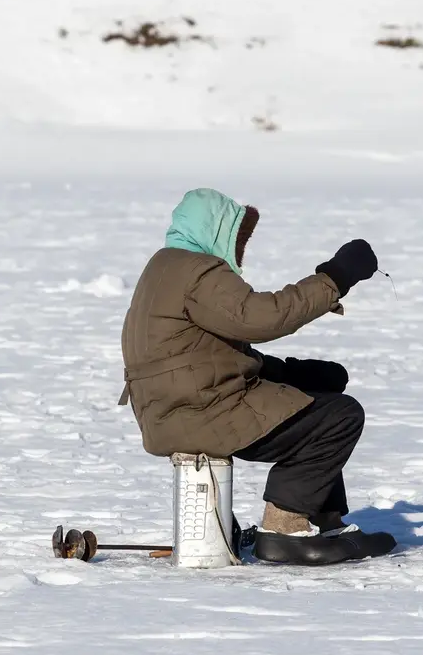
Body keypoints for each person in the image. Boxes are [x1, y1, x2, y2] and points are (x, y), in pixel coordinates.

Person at [118, 188, 397, 566]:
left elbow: (203, 355)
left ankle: (326, 520)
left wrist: (291, 373)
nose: (240, 248)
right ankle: (284, 528)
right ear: (215, 231)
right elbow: (260, 318)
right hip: (203, 413)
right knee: (341, 416)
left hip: (175, 412)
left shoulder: (163, 269)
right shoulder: (198, 271)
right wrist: (335, 278)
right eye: (238, 237)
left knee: (319, 399)